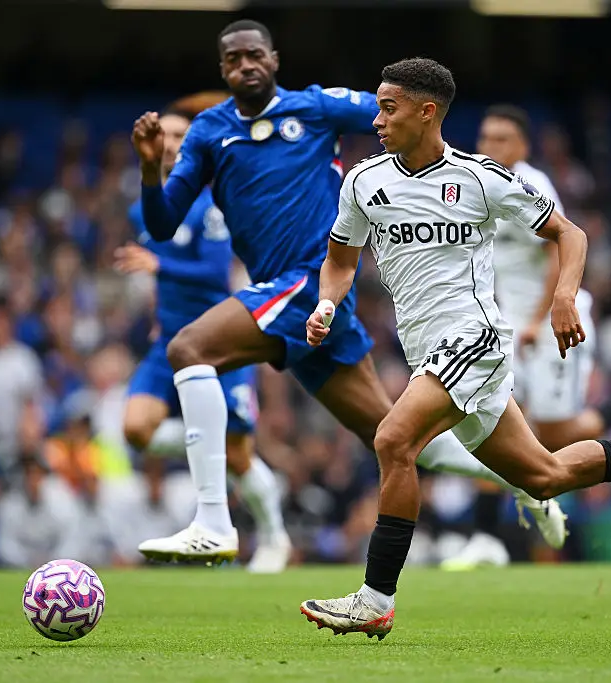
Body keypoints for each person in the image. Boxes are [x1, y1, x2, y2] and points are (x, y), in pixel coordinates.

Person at [299, 57, 611, 640]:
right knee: (544, 475)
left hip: (474, 341)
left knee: (393, 439)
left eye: (389, 107)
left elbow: (570, 232)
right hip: (427, 352)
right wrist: (327, 304)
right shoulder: (364, 181)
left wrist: (564, 297)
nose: (377, 119)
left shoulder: (481, 178)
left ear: (427, 111)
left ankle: (375, 599)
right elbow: (340, 260)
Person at [131, 20, 567, 563]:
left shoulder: (315, 108)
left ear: (274, 58)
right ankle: (523, 483)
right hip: (295, 300)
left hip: (311, 282)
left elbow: (404, 115)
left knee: (187, 349)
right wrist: (152, 170)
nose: (245, 65)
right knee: (397, 439)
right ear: (222, 69)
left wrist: (455, 172)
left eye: (254, 55)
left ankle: (214, 522)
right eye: (233, 59)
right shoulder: (207, 133)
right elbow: (163, 222)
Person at [441, 106, 611, 571]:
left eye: (503, 139)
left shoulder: (533, 186)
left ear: (524, 147)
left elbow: (559, 248)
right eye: (487, 137)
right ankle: (488, 537)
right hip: (508, 330)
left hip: (553, 322)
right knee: (486, 418)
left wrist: (534, 320)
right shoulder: (475, 183)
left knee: (549, 436)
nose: (492, 147)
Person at [116, 100, 291, 573]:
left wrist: (160, 265)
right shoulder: (144, 208)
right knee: (135, 430)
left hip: (218, 345)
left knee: (239, 457)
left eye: (180, 137)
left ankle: (274, 536)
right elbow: (163, 276)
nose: (171, 144)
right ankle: (207, 442)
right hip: (168, 340)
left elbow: (215, 275)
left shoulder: (210, 206)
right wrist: (158, 302)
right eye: (165, 136)